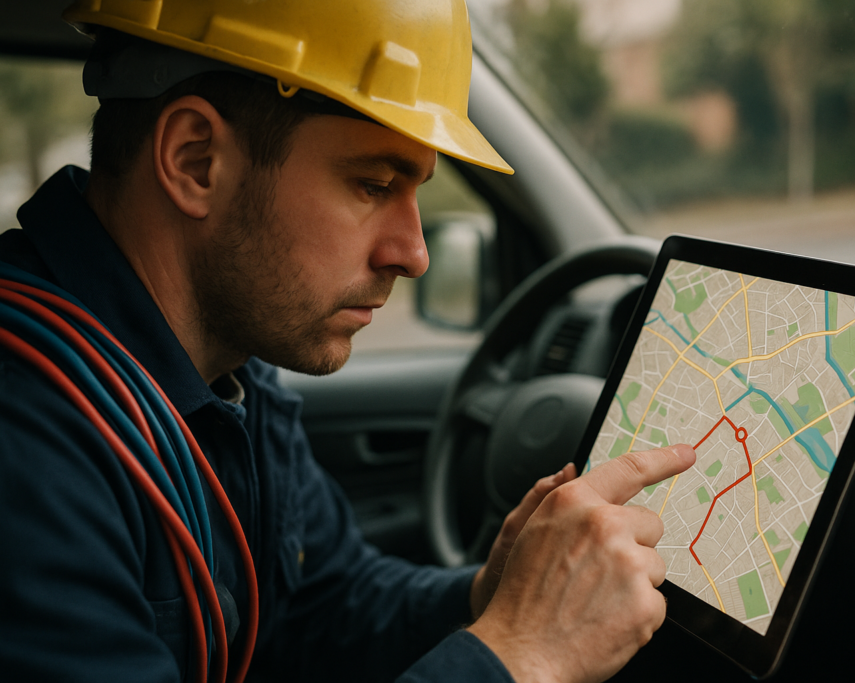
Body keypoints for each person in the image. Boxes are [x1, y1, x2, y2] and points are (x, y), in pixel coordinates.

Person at [0, 1, 696, 681]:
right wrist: (523, 655)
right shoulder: (26, 435)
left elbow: (323, 608)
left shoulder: (231, 365)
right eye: (373, 184)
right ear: (195, 159)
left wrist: (492, 597)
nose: (414, 254)